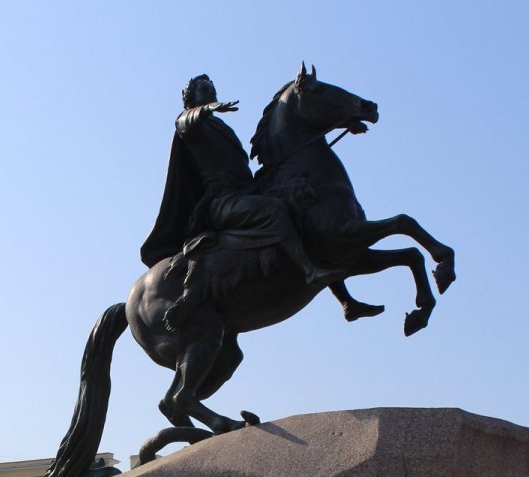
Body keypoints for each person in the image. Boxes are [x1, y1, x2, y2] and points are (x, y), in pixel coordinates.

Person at [142, 74, 375, 327]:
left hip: (246, 191)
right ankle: (309, 270)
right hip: (222, 201)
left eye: (212, 90)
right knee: (273, 210)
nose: (211, 94)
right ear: (191, 100)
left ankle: (346, 301)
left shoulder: (221, 128)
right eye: (205, 91)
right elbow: (184, 121)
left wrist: (342, 122)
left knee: (308, 218)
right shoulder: (191, 126)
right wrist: (207, 109)